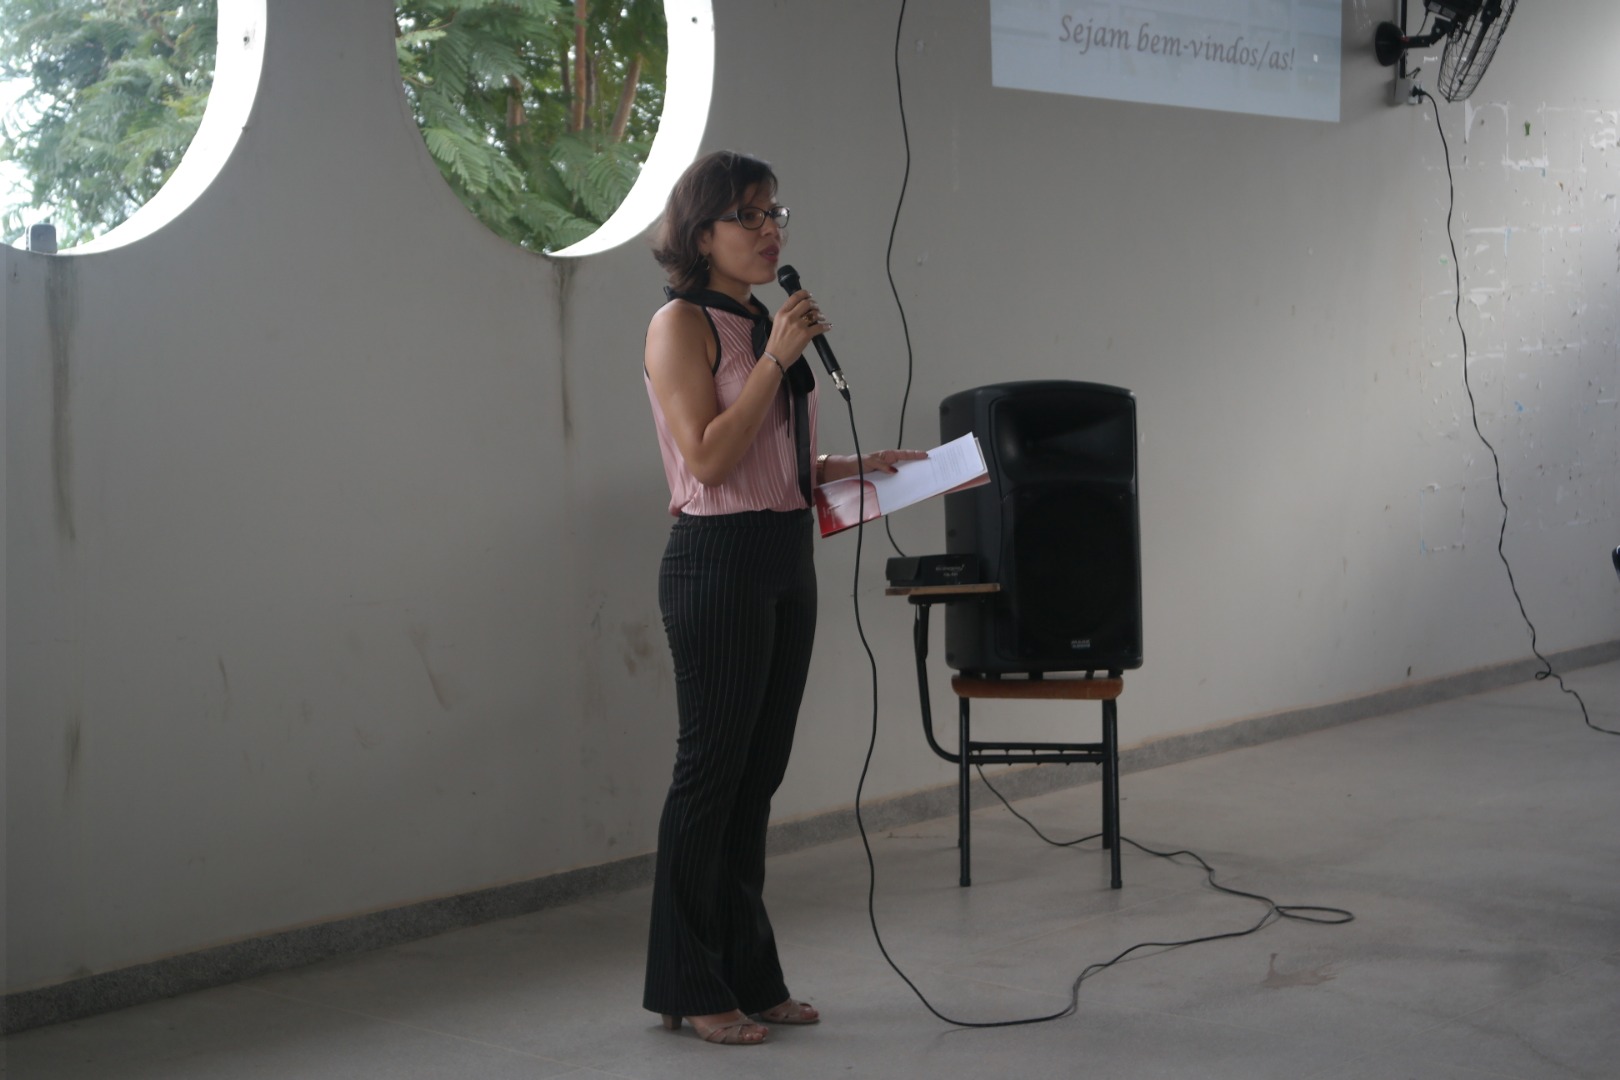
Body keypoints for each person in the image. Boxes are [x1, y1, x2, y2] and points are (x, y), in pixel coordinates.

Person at [640, 150, 924, 1046]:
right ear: (701, 234)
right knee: (711, 775)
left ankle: (751, 976)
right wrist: (774, 358)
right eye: (749, 215)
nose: (771, 231)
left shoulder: (763, 320)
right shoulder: (680, 325)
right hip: (717, 560)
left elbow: (769, 455)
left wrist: (851, 466)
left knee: (756, 780)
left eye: (775, 214)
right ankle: (689, 984)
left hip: (783, 552)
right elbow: (708, 458)